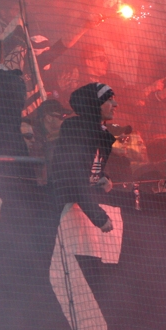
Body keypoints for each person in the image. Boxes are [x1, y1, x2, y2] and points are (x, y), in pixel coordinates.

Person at [50, 83, 119, 232]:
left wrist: (101, 177)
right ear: (95, 104)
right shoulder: (79, 131)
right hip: (58, 212)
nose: (115, 104)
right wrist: (98, 216)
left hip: (75, 213)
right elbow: (75, 177)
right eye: (109, 100)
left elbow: (89, 168)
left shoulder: (101, 134)